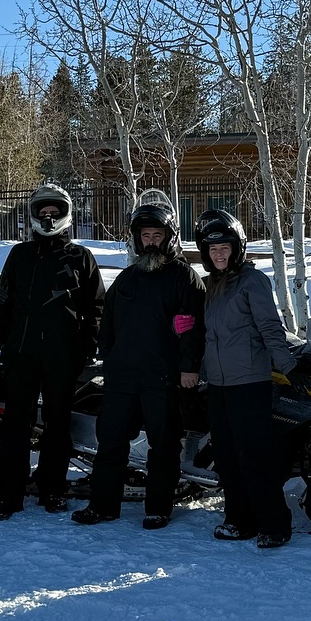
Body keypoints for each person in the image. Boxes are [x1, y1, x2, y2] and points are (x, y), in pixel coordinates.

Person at [73, 193, 204, 529]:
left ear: (170, 237)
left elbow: (193, 327)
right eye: (145, 236)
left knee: (163, 446)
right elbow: (109, 323)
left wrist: (189, 366)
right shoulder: (127, 278)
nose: (150, 242)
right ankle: (102, 505)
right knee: (111, 442)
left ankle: (158, 507)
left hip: (163, 378)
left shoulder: (184, 278)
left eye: (156, 235)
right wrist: (107, 357)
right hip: (121, 378)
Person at [0, 184, 104, 520]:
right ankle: (9, 495)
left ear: (65, 215)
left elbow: (96, 307)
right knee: (16, 425)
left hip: (63, 356)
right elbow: (3, 301)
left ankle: (53, 489)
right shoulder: (20, 255)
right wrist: (8, 344)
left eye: (55, 213)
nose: (49, 218)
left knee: (57, 425)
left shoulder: (81, 257)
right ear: (35, 215)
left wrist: (85, 348)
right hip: (22, 356)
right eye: (44, 213)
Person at [194, 209, 297, 549]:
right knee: (226, 457)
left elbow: (270, 328)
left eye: (224, 247)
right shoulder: (210, 286)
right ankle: (239, 520)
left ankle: (274, 524)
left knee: (255, 456)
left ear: (237, 248)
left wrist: (290, 368)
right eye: (212, 250)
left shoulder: (252, 281)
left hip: (250, 383)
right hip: (219, 385)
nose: (218, 254)